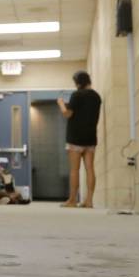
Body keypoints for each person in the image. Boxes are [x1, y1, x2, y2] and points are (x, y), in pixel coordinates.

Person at [57, 71, 102, 209]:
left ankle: (72, 201)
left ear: (77, 83)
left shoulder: (77, 95)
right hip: (90, 137)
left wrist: (61, 103)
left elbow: (67, 113)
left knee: (74, 170)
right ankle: (89, 201)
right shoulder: (96, 96)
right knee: (90, 169)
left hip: (75, 138)